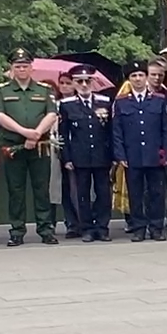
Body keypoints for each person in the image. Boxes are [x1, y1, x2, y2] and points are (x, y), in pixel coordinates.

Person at [0, 49, 59, 246]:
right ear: (11, 68)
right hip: (13, 147)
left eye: (25, 66)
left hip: (40, 147)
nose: (21, 69)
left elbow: (52, 114)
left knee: (41, 190)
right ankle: (17, 231)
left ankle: (46, 230)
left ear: (31, 67)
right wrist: (25, 132)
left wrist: (37, 133)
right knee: (16, 190)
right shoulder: (2, 90)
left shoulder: (44, 89)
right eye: (17, 66)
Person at [111, 61, 167, 241]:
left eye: (140, 75)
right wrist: (120, 155)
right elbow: (117, 132)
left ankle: (156, 227)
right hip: (133, 155)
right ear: (129, 80)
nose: (137, 79)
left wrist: (166, 154)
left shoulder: (159, 100)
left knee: (157, 193)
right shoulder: (121, 103)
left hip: (155, 155)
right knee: (135, 193)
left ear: (146, 77)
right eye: (133, 76)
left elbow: (166, 129)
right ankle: (138, 227)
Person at [55, 65, 114, 242]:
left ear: (92, 82)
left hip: (102, 155)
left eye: (87, 81)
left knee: (103, 193)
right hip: (79, 156)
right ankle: (87, 228)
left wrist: (113, 155)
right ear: (74, 83)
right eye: (79, 81)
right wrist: (67, 157)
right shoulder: (67, 105)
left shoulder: (104, 102)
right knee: (82, 194)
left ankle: (102, 227)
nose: (83, 84)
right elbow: (63, 134)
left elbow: (111, 131)